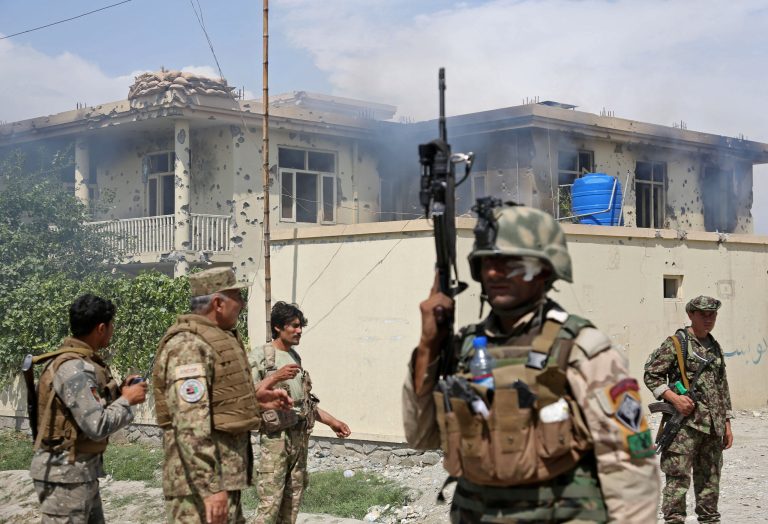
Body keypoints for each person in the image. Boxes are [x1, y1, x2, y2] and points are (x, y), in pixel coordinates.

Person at [402, 202, 660, 523]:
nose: (494, 272)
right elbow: (421, 438)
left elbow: (630, 465)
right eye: (488, 262)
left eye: (510, 262)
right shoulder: (466, 349)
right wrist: (428, 345)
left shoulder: (581, 349)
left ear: (545, 269)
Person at [152, 267, 292, 524]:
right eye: (237, 296)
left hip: (222, 479)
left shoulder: (213, 340)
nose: (242, 304)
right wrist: (210, 486)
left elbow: (215, 404)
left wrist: (255, 402)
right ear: (218, 303)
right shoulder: (188, 346)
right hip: (199, 488)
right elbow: (189, 423)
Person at [29, 293, 148, 523]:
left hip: (79, 475)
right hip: (65, 480)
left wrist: (120, 392)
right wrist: (127, 400)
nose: (113, 330)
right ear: (101, 328)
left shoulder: (81, 363)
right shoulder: (75, 368)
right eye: (112, 325)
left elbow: (87, 409)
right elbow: (97, 425)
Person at [250, 301, 351, 524]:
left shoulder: (294, 357)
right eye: (294, 326)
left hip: (299, 437)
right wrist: (275, 377)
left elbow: (304, 404)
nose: (299, 331)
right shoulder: (261, 355)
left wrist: (333, 422)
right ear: (278, 327)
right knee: (270, 504)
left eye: (300, 326)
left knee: (293, 501)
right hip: (276, 439)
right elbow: (245, 395)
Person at [644, 295, 733, 524]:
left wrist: (726, 423)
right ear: (690, 314)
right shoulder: (677, 343)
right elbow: (651, 375)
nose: (708, 318)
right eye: (703, 314)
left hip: (712, 429)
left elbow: (721, 386)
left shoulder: (714, 347)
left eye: (712, 314)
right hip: (684, 427)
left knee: (710, 483)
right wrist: (674, 398)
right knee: (677, 482)